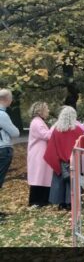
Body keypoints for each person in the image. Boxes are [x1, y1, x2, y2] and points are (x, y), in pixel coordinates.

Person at [44, 106, 84, 210]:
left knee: (59, 181)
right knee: (72, 182)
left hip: (60, 161)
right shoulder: (78, 130)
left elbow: (51, 146)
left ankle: (60, 202)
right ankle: (70, 203)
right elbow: (83, 145)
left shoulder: (56, 131)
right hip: (74, 160)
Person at [27, 102, 54, 207]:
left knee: (42, 175)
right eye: (46, 109)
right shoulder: (37, 122)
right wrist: (55, 126)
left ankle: (42, 200)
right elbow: (47, 135)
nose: (48, 111)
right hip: (38, 154)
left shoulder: (38, 122)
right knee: (39, 176)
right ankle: (36, 201)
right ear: (40, 111)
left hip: (40, 153)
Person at [0, 89, 20, 219]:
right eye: (11, 98)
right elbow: (15, 133)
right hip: (2, 149)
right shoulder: (2, 114)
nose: (11, 101)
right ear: (5, 99)